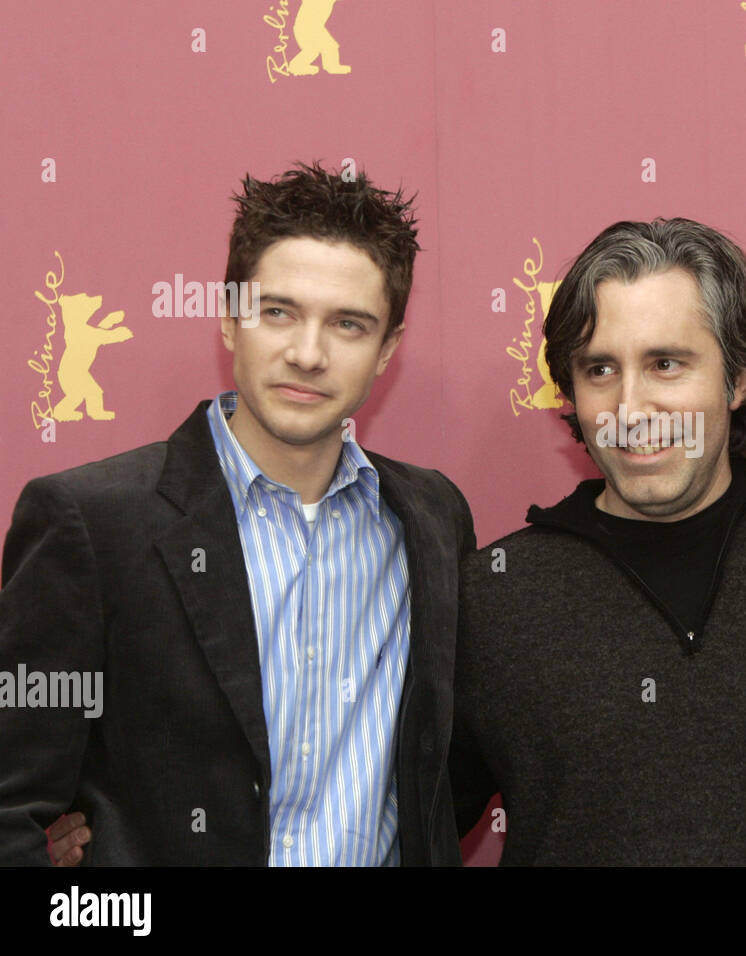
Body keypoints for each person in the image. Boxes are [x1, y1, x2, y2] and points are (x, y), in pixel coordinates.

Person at [0, 163, 475, 865]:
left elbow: (444, 777)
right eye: (277, 312)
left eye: (348, 324)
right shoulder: (93, 524)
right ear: (228, 319)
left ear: (387, 352)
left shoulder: (433, 519)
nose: (306, 354)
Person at [450, 218, 746, 865]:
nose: (632, 406)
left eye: (666, 364)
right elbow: (407, 819)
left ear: (741, 378)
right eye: (600, 370)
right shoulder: (494, 593)